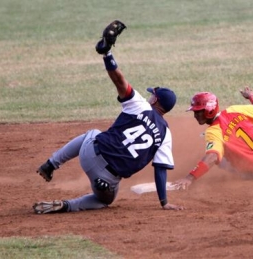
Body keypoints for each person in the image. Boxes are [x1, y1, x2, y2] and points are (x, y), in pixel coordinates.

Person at [33, 21, 183, 214]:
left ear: (155, 99)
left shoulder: (140, 105)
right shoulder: (165, 134)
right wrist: (164, 202)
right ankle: (69, 205)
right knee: (104, 200)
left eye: (152, 94)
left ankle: (51, 164)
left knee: (93, 133)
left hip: (91, 153)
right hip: (106, 178)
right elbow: (160, 169)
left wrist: (107, 53)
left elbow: (119, 80)